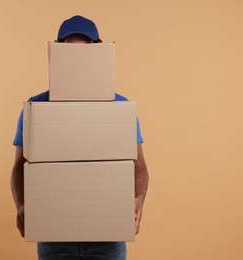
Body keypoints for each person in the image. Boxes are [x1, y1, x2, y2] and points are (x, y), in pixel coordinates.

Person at [11, 15, 149, 260]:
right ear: (57, 55)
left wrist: (138, 200)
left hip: (108, 239)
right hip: (55, 240)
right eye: (70, 53)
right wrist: (21, 205)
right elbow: (19, 168)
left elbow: (139, 167)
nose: (77, 62)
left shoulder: (120, 108)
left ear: (98, 55)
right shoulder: (35, 108)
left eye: (84, 54)